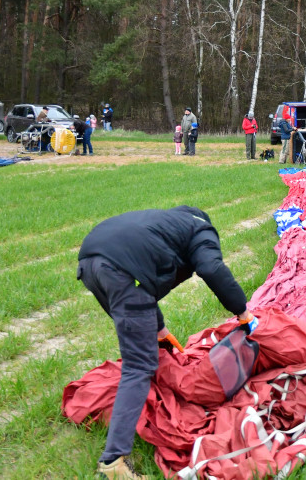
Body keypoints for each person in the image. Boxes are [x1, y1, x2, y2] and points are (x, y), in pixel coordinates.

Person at [77, 206, 259, 480]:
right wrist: (243, 312)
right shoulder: (201, 232)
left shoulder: (167, 225)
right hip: (118, 270)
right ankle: (112, 463)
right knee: (139, 365)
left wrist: (159, 331)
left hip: (89, 262)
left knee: (139, 342)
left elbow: (143, 291)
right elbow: (211, 267)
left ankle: (127, 414)